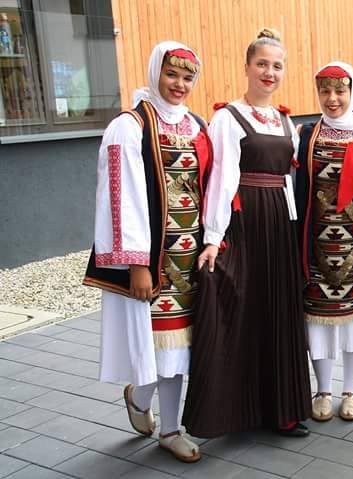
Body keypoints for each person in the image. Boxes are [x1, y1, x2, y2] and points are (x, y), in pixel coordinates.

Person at [181, 28, 312, 438]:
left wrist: (294, 228)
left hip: (279, 224)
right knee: (242, 307)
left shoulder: (286, 120)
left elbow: (288, 179)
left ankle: (282, 410)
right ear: (247, 68)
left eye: (277, 66)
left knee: (279, 311)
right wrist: (212, 238)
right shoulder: (228, 117)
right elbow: (221, 180)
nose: (269, 73)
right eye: (262, 64)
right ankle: (237, 410)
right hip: (245, 221)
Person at [83, 41, 209, 462]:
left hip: (190, 258)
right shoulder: (130, 126)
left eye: (187, 77)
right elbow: (121, 198)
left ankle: (166, 425)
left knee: (180, 346)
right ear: (155, 71)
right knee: (158, 346)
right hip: (154, 260)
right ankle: (147, 405)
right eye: (171, 74)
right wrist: (136, 263)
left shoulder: (196, 125)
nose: (179, 84)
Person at [294, 62, 353, 422]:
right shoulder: (304, 135)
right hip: (313, 243)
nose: (332, 98)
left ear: (352, 91)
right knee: (317, 321)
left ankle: (351, 388)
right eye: (325, 91)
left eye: (340, 91)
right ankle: (322, 388)